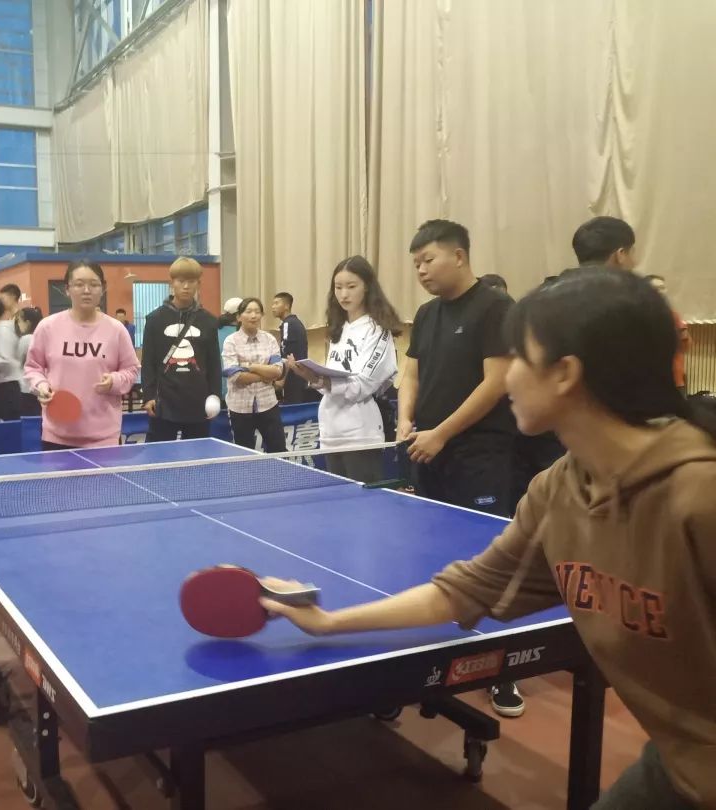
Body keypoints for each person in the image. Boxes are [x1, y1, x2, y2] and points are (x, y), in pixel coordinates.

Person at [264, 269, 716, 810]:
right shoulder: (559, 491)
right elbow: (467, 590)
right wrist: (328, 621)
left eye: (519, 356)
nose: (506, 375)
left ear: (565, 374)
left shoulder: (699, 496)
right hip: (680, 766)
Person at [399, 219, 523, 717]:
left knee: (488, 563)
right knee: (433, 556)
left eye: (428, 260)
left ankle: (505, 671)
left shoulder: (495, 307)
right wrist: (405, 418)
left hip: (479, 455)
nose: (421, 270)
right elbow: (411, 372)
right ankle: (432, 658)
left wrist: (442, 433)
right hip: (428, 452)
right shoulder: (427, 313)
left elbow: (496, 382)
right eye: (416, 264)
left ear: (459, 255)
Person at [285, 257, 402, 482]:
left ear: (367, 287)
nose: (343, 294)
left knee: (363, 502)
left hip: (360, 435)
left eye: (351, 286)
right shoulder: (339, 329)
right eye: (338, 287)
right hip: (331, 433)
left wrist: (324, 381)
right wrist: (312, 377)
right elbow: (331, 385)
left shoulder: (377, 331)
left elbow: (361, 386)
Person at [24, 261, 139, 449]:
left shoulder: (116, 330)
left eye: (94, 284)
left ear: (102, 289)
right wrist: (41, 386)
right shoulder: (47, 327)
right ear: (67, 289)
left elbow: (132, 370)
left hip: (104, 438)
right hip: (57, 436)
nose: (87, 290)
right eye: (79, 284)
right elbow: (33, 367)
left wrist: (114, 381)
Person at [140, 257, 222, 442]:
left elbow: (214, 363)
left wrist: (215, 396)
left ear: (198, 284)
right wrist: (149, 395)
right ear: (172, 283)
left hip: (198, 402)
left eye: (191, 281)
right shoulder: (154, 319)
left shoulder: (209, 321)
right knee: (159, 454)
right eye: (181, 281)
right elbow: (148, 362)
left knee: (197, 456)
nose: (186, 286)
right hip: (163, 402)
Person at [222, 298, 286, 452]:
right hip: (240, 407)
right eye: (249, 311)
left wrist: (250, 367)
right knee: (245, 454)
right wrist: (266, 374)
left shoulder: (270, 339)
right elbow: (237, 377)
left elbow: (277, 371)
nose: (253, 316)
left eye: (257, 312)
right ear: (239, 317)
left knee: (278, 450)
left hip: (268, 404)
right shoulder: (230, 341)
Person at [646, 274, 691, 394]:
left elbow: (685, 347)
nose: (660, 291)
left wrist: (683, 334)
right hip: (647, 381)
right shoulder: (636, 315)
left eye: (662, 288)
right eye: (656, 288)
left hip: (674, 379)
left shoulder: (673, 315)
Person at [271, 292, 315, 405]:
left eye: (276, 303)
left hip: (293, 377)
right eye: (273, 304)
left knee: (293, 406)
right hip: (298, 375)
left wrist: (281, 379)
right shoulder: (293, 323)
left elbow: (287, 353)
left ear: (286, 306)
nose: (273, 307)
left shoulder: (288, 324)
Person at [570, 216, 637, 271]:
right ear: (621, 255)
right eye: (632, 252)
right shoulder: (636, 283)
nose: (634, 263)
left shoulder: (565, 281)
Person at [15, 306, 43, 417]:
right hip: (39, 387)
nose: (18, 325)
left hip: (25, 388)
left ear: (27, 323)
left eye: (19, 321)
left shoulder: (26, 339)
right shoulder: (40, 337)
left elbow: (17, 361)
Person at [217, 297, 241, 405]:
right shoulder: (240, 334)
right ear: (239, 315)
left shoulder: (214, 330)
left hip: (217, 390)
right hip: (237, 390)